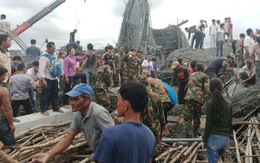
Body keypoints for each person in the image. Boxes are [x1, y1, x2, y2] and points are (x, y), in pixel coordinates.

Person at [31, 83, 114, 163]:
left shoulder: (98, 113)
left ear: (88, 99)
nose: (72, 103)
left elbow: (114, 138)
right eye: (71, 99)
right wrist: (48, 154)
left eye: (76, 99)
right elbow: (67, 139)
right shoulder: (78, 115)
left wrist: (103, 158)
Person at [93, 82, 155, 163]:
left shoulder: (111, 134)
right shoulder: (150, 135)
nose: (117, 104)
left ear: (125, 105)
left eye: (118, 100)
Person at [203, 78, 233, 163]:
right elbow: (230, 124)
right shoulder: (229, 104)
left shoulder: (209, 104)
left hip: (213, 139)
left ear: (210, 89)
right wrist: (228, 139)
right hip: (224, 139)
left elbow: (208, 124)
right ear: (222, 88)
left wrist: (204, 140)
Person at [184, 63, 209, 137]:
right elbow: (206, 88)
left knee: (187, 116)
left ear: (195, 68)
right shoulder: (205, 76)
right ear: (203, 69)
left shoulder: (191, 75)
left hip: (188, 97)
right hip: (198, 98)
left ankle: (188, 134)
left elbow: (188, 85)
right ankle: (196, 132)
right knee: (197, 115)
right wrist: (207, 98)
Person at [39, 42, 63, 116]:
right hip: (47, 78)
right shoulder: (43, 57)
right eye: (53, 48)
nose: (54, 50)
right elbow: (41, 69)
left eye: (54, 48)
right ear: (48, 48)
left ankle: (55, 107)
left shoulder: (54, 55)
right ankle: (43, 109)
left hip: (54, 78)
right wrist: (43, 80)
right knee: (45, 94)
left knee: (55, 93)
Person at [0, 66, 16, 146]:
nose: (4, 78)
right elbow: (7, 109)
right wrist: (11, 124)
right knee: (11, 144)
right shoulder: (3, 91)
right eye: (3, 75)